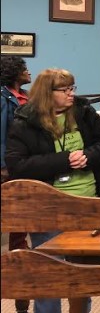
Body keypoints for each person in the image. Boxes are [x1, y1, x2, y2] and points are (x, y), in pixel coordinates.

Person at [5, 69, 100, 313]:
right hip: (47, 207)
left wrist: (88, 156)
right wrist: (64, 160)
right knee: (48, 271)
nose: (71, 94)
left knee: (82, 271)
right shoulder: (25, 121)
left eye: (72, 88)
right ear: (47, 93)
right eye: (65, 90)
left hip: (87, 202)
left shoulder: (84, 112)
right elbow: (18, 165)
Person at [1, 56, 31, 313]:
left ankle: (21, 288)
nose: (28, 71)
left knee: (19, 226)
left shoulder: (24, 95)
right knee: (12, 221)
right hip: (8, 168)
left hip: (23, 166)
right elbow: (2, 134)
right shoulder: (3, 98)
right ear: (13, 73)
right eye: (23, 68)